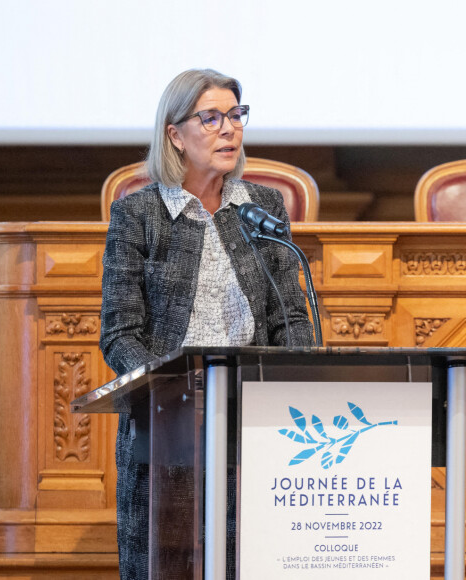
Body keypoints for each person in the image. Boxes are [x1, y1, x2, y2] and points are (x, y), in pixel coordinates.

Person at [99, 68, 314, 578]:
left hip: (254, 420)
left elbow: (291, 318)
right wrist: (171, 392)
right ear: (174, 134)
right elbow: (119, 332)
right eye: (211, 118)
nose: (230, 129)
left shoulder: (262, 208)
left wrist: (291, 383)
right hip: (168, 426)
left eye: (236, 115)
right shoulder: (139, 215)